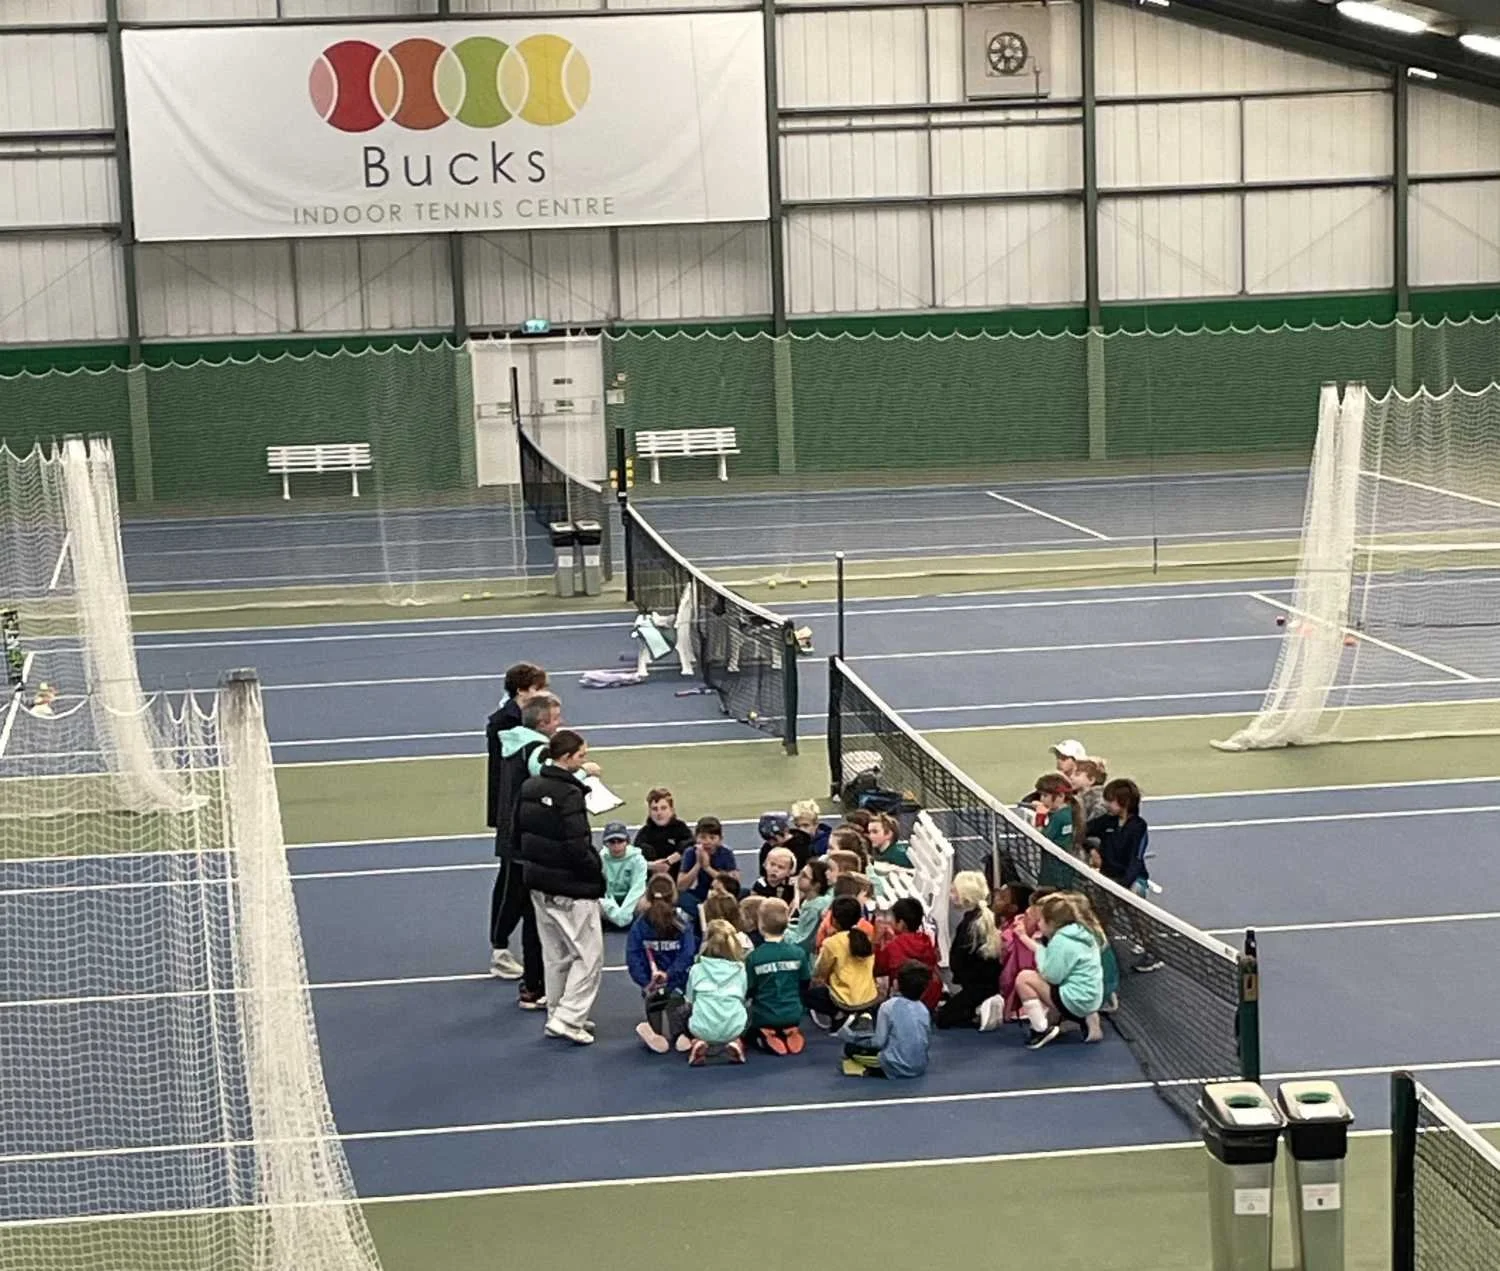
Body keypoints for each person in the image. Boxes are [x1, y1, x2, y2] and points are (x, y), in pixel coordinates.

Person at [516, 729, 605, 1046]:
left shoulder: (529, 786)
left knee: (556, 955)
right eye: (581, 756)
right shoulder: (570, 795)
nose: (585, 761)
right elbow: (578, 846)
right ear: (566, 758)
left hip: (539, 885)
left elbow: (519, 833)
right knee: (589, 956)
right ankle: (568, 1018)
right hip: (571, 888)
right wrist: (596, 874)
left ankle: (558, 1011)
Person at [485, 691, 560, 1009]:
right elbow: (551, 784)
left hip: (513, 836)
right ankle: (535, 983)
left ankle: (526, 976)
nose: (561, 723)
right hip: (529, 843)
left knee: (518, 898)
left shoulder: (511, 743)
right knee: (533, 911)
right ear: (543, 723)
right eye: (556, 718)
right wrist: (583, 775)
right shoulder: (535, 750)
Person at [1087, 777, 1162, 973]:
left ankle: (1152, 953)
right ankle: (1097, 952)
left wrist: (1123, 886)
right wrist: (1091, 849)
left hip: (1131, 881)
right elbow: (1083, 831)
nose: (1106, 804)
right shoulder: (1107, 821)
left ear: (1125, 803)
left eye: (1110, 800)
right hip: (1107, 878)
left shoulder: (1138, 826)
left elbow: (1136, 860)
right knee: (1101, 916)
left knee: (1137, 919)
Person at [1013, 894, 1105, 1050]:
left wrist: (1040, 957)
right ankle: (1086, 1018)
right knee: (1048, 982)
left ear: (1052, 923)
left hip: (1075, 1001)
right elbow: (1047, 955)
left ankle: (1040, 1030)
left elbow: (1051, 976)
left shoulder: (1061, 941)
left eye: (1041, 920)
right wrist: (1026, 939)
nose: (1038, 923)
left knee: (1025, 978)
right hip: (1092, 999)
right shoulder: (1083, 934)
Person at [627, 874, 697, 1054]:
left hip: (652, 986)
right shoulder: (682, 923)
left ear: (648, 896)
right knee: (679, 1026)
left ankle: (653, 1031)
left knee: (660, 1027)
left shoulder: (640, 925)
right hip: (677, 985)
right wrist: (671, 975)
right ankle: (678, 1033)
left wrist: (645, 982)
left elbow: (633, 956)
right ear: (673, 896)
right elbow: (688, 954)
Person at [842, 960, 934, 1079]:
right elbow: (926, 1040)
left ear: (896, 984)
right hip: (920, 1066)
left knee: (849, 1048)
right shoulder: (923, 1009)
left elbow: (878, 1042)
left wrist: (856, 1039)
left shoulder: (888, 1006)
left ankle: (873, 1070)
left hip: (896, 1065)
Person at [744, 898, 812, 1055]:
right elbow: (805, 983)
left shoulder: (754, 957)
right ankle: (790, 1030)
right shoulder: (798, 953)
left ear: (760, 926)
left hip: (765, 1015)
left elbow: (749, 989)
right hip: (793, 1013)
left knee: (748, 1033)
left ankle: (766, 1034)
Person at [937, 871, 1002, 1029]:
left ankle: (979, 1009)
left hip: (976, 984)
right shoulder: (982, 919)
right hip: (984, 982)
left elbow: (961, 958)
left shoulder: (970, 924)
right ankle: (979, 1007)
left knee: (942, 1019)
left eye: (953, 891)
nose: (951, 895)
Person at [807, 896, 879, 1031]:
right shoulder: (866, 939)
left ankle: (839, 1014)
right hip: (870, 997)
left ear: (834, 919)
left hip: (844, 1000)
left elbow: (819, 972)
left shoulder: (832, 942)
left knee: (806, 994)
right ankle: (862, 1013)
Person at [685, 919, 749, 1065]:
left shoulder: (696, 969)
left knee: (685, 1009)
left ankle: (698, 1041)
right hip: (734, 1027)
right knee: (749, 1007)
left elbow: (689, 1000)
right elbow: (743, 998)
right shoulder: (741, 969)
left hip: (701, 1027)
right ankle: (736, 1041)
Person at [874, 897, 941, 1015]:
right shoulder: (926, 941)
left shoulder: (894, 945)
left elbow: (877, 969)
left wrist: (877, 942)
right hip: (928, 999)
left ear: (901, 923)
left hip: (903, 1001)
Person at [1031, 771, 1086, 889]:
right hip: (1062, 871)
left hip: (1053, 874)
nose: (1042, 799)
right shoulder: (1068, 813)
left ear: (1061, 796)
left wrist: (1040, 816)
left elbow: (1041, 839)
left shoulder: (1059, 817)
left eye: (1045, 796)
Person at [678, 816, 740, 910]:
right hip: (699, 895)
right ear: (696, 838)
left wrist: (707, 868)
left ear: (720, 839)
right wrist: (698, 864)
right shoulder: (690, 853)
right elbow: (681, 886)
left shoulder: (726, 853)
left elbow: (734, 885)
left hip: (722, 894)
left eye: (712, 838)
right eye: (703, 837)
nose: (707, 842)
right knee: (680, 897)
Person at [635, 787, 695, 877]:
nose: (659, 813)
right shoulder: (644, 833)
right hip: (651, 881)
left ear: (671, 809)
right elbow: (633, 859)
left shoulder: (680, 828)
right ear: (649, 812)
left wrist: (669, 861)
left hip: (678, 878)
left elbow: (691, 844)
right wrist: (653, 866)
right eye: (655, 809)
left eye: (663, 808)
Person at [599, 821, 648, 930]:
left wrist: (624, 914)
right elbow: (603, 890)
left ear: (627, 842)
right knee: (592, 903)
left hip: (631, 900)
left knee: (646, 903)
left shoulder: (638, 860)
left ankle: (641, 930)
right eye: (612, 841)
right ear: (606, 843)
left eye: (620, 841)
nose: (616, 845)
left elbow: (637, 888)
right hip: (609, 901)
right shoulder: (600, 860)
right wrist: (616, 913)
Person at [788, 858, 832, 952]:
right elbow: (801, 928)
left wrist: (779, 931)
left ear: (816, 885)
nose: (799, 877)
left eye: (804, 876)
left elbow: (801, 941)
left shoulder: (814, 907)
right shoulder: (810, 901)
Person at [1071, 758, 1108, 823]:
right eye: (1072, 774)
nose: (1071, 777)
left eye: (1077, 774)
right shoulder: (1078, 797)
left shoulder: (1098, 799)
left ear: (1091, 780)